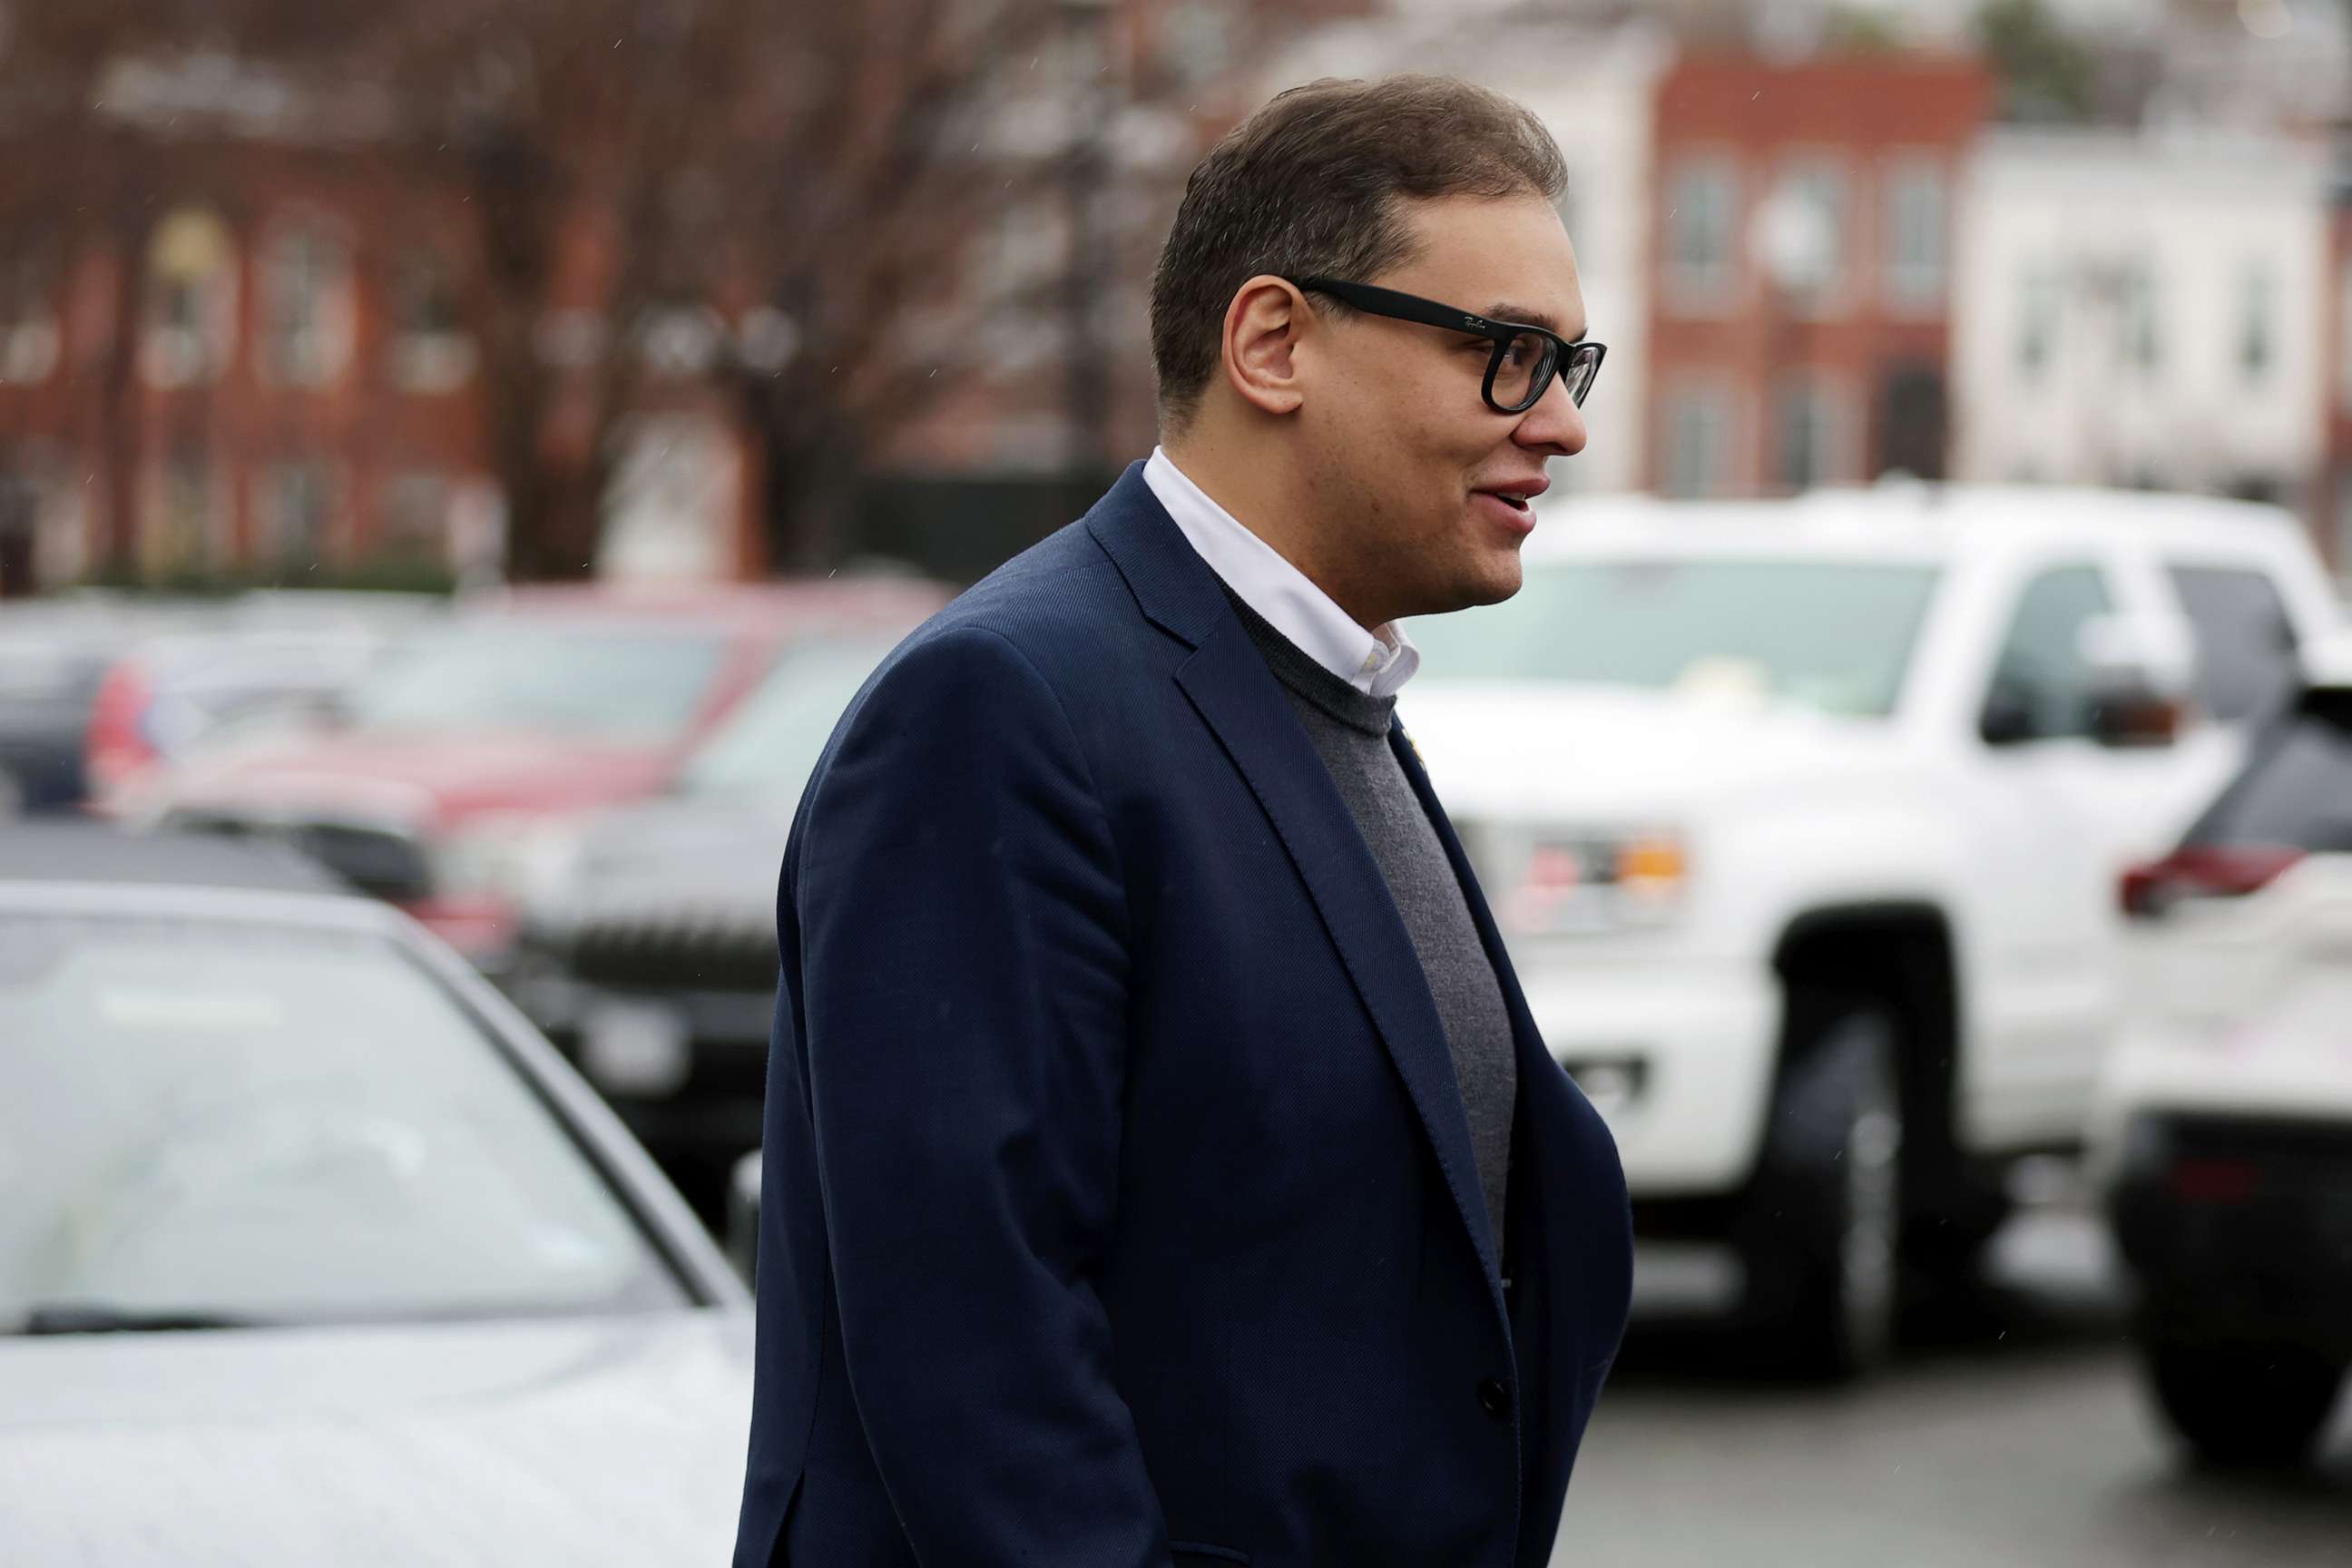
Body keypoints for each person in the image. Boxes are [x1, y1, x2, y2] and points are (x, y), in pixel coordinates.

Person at [733, 74, 1632, 1568]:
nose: (1559, 424)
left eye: (1567, 364)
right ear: (1274, 342)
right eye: (1507, 355)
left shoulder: (1326, 690)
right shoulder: (1006, 708)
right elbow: (981, 1368)